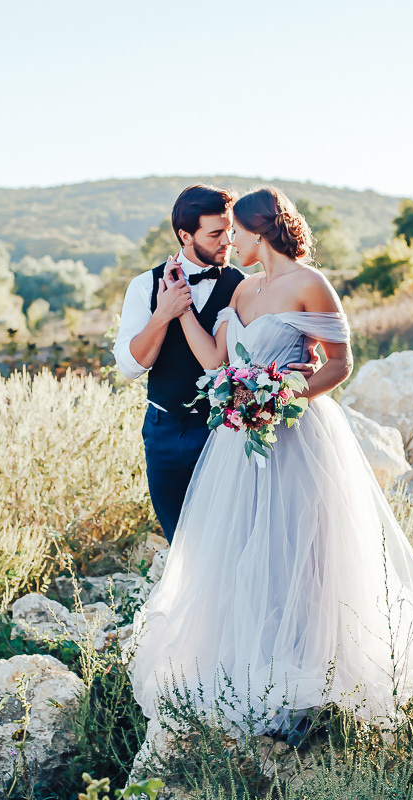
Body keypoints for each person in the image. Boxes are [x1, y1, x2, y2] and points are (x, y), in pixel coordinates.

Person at [128, 187, 413, 739]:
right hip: (238, 442)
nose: (230, 241)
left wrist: (284, 396)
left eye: (236, 232)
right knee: (244, 549)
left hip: (297, 434)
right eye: (222, 232)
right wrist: (178, 311)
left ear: (259, 233)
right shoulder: (242, 290)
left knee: (302, 548)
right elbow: (215, 360)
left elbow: (340, 363)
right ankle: (254, 667)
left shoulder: (310, 284)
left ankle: (314, 671)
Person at [112, 184, 318, 543]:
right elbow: (130, 368)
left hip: (225, 433)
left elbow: (268, 342)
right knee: (180, 543)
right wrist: (163, 314)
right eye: (215, 234)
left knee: (226, 542)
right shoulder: (145, 286)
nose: (227, 241)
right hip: (164, 432)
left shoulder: (245, 287)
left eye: (230, 230)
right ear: (185, 236)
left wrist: (302, 359)